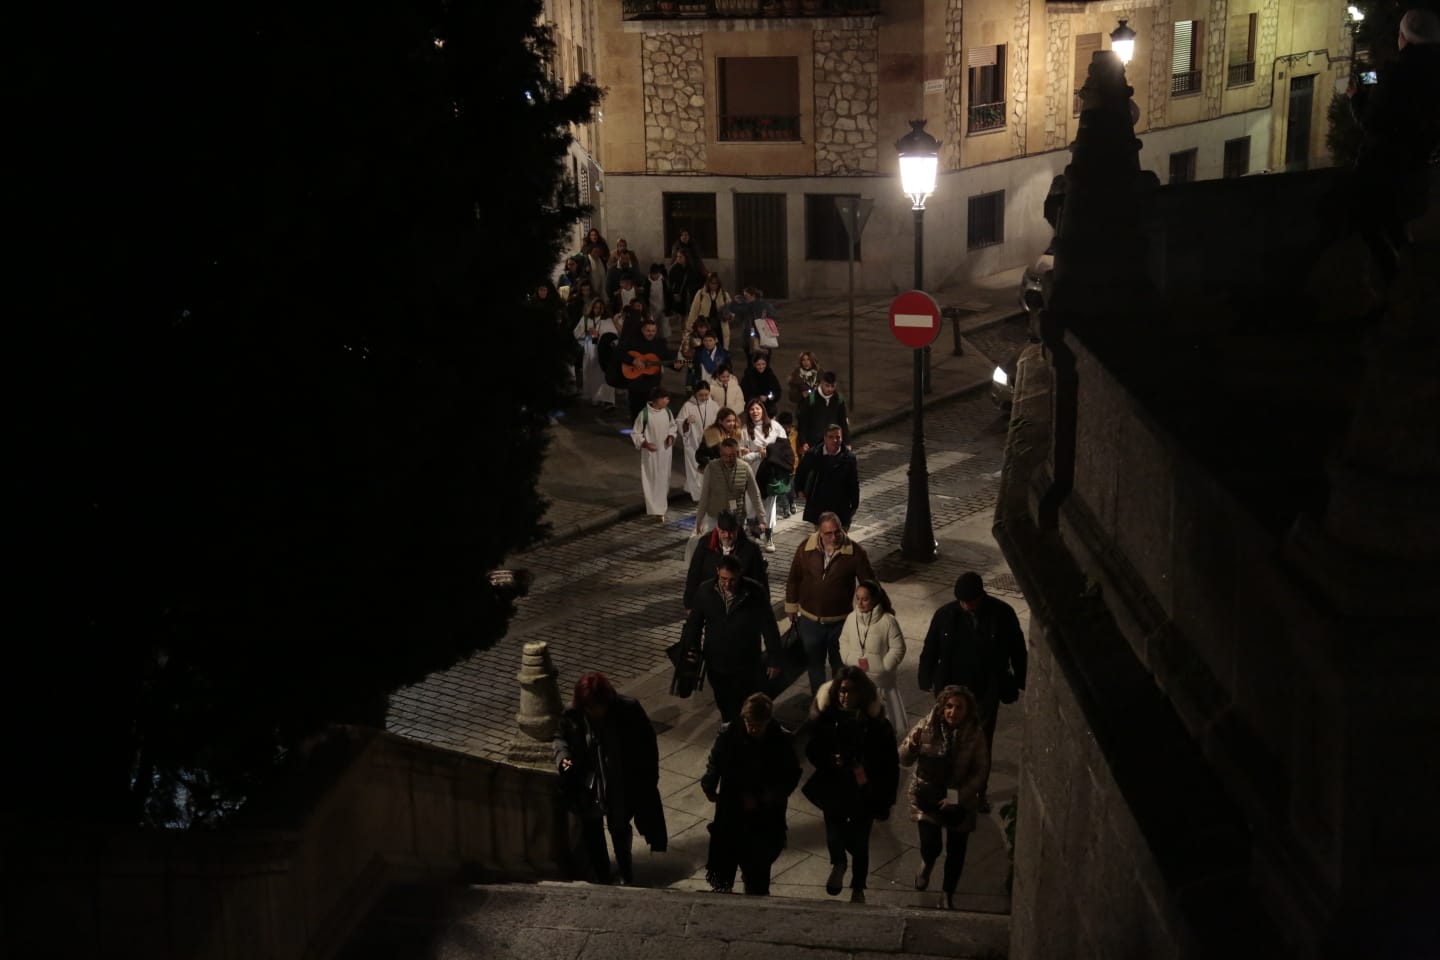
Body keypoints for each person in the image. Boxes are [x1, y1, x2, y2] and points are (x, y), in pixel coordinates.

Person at [916, 572, 1026, 813]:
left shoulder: (1001, 614)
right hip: (951, 690)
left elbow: (1017, 648)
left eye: (970, 601)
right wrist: (925, 676)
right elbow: (931, 647)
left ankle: (977, 792)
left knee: (980, 743)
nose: (966, 606)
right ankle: (949, 791)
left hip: (984, 690)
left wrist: (1021, 678)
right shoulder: (946, 615)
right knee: (949, 742)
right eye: (962, 601)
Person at [1347, 7, 1440, 281]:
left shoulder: (1394, 75)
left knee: (1367, 221)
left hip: (1384, 171)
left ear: (1404, 39)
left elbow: (1371, 124)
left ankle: (1394, 277)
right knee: (1398, 224)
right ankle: (1408, 272)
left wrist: (1355, 98)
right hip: (1419, 166)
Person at [554, 672, 667, 886]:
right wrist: (564, 760)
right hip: (588, 785)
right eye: (590, 707)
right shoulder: (572, 714)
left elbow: (647, 745)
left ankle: (626, 872)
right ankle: (602, 875)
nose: (595, 711)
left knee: (619, 828)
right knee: (592, 832)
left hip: (619, 782)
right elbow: (560, 738)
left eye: (598, 706)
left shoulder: (628, 709)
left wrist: (648, 779)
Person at [801, 665, 899, 903]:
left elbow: (888, 762)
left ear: (861, 693)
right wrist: (830, 759)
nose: (845, 695)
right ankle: (839, 863)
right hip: (834, 784)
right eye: (842, 690)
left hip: (863, 789)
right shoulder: (827, 718)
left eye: (851, 691)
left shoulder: (875, 724)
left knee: (860, 840)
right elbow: (812, 749)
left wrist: (868, 775)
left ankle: (858, 886)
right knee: (834, 832)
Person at [700, 692, 800, 895]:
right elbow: (716, 760)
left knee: (758, 863)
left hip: (765, 813)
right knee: (727, 853)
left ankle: (755, 887)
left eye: (758, 725)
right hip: (733, 807)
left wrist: (771, 795)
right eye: (750, 724)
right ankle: (728, 885)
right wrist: (709, 784)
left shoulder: (780, 739)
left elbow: (792, 773)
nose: (753, 729)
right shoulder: (729, 734)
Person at [899, 685, 989, 910]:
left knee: (957, 850)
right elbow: (904, 759)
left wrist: (959, 796)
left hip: (960, 797)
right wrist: (912, 745)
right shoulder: (927, 726)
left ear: (967, 711)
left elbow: (980, 771)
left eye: (959, 707)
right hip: (927, 794)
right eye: (949, 706)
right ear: (942, 707)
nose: (953, 712)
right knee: (931, 844)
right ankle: (927, 863)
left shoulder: (975, 735)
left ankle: (947, 893)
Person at [784, 512, 877, 695]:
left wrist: (873, 609)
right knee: (814, 666)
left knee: (840, 667)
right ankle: (819, 700)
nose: (834, 537)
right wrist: (791, 605)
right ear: (820, 532)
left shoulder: (855, 552)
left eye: (837, 532)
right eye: (828, 533)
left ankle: (838, 700)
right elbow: (794, 578)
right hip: (810, 621)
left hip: (840, 622)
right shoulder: (805, 549)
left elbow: (870, 584)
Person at [685, 555, 784, 723]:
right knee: (724, 702)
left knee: (744, 703)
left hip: (746, 661)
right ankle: (730, 727)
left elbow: (768, 626)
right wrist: (692, 648)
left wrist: (774, 658)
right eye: (723, 579)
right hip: (716, 660)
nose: (727, 584)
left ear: (740, 573)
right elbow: (695, 624)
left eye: (732, 580)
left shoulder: (754, 592)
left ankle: (741, 729)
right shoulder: (705, 591)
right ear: (717, 572)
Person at [837, 580, 906, 735]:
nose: (860, 603)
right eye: (857, 598)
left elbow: (898, 648)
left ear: (875, 599)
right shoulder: (851, 618)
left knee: (881, 725)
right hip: (857, 679)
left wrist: (884, 667)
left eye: (865, 599)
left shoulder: (888, 621)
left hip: (880, 684)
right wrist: (848, 658)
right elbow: (843, 640)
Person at [688, 436, 763, 565]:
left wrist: (762, 519)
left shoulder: (745, 468)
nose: (728, 459)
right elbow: (705, 495)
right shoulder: (711, 468)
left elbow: (755, 495)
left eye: (732, 456)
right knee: (713, 549)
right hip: (715, 517)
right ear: (720, 454)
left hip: (737, 518)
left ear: (737, 453)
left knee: (735, 549)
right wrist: (699, 520)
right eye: (725, 456)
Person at [684, 509, 769, 613]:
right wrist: (689, 604)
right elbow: (694, 574)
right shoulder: (705, 544)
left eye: (731, 532)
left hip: (740, 607)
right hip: (711, 604)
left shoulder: (751, 549)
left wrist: (764, 609)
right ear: (717, 529)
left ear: (737, 529)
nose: (727, 536)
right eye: (723, 532)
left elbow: (760, 581)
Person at [739, 397, 790, 553]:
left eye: (758, 408)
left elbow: (785, 448)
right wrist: (757, 454)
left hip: (770, 473)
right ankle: (753, 535)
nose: (755, 412)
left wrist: (770, 452)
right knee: (751, 505)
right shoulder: (744, 431)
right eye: (752, 409)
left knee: (769, 506)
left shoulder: (775, 427)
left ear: (763, 410)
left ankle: (769, 536)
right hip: (753, 473)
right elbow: (741, 456)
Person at [794, 423, 862, 529]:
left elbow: (853, 482)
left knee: (839, 537)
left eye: (838, 437)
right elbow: (801, 472)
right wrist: (799, 489)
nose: (835, 440)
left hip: (840, 505)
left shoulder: (849, 458)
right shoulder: (813, 454)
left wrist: (854, 504)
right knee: (822, 536)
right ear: (825, 438)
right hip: (819, 505)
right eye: (831, 437)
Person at [631, 387, 677, 522]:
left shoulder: (667, 412)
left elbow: (672, 426)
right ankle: (655, 509)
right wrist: (645, 444)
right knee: (652, 479)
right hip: (651, 455)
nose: (668, 401)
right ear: (657, 399)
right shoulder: (644, 414)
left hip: (665, 453)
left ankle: (661, 508)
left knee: (664, 479)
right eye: (665, 398)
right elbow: (636, 433)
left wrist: (671, 436)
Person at [618, 317, 673, 420]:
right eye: (648, 331)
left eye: (653, 331)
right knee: (637, 412)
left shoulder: (660, 342)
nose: (651, 333)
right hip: (635, 383)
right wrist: (633, 360)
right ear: (642, 330)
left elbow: (667, 357)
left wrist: (676, 365)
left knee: (653, 412)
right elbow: (619, 353)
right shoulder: (632, 341)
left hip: (653, 383)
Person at [678, 381, 720, 500]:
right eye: (701, 395)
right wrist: (686, 422)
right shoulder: (688, 406)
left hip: (709, 443)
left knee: (708, 468)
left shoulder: (714, 405)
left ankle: (707, 494)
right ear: (695, 393)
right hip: (693, 443)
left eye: (706, 395)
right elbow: (679, 423)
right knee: (694, 469)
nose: (704, 397)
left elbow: (719, 422)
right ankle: (697, 496)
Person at [576, 297, 620, 408]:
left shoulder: (607, 320)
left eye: (600, 308)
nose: (597, 310)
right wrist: (586, 332)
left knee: (602, 373)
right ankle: (595, 397)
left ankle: (605, 399)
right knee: (591, 372)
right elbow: (576, 333)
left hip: (603, 349)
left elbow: (612, 335)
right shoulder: (586, 319)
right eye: (596, 307)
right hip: (589, 348)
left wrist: (598, 334)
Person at [797, 372, 851, 454]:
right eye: (827, 386)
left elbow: (843, 422)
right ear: (822, 383)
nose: (830, 389)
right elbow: (803, 423)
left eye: (832, 386)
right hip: (815, 443)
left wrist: (847, 442)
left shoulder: (838, 399)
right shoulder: (811, 399)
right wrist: (803, 442)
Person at [688, 273, 734, 353]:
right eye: (711, 283)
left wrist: (729, 316)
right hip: (704, 326)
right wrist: (690, 327)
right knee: (704, 348)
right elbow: (694, 311)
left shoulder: (724, 294)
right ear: (708, 283)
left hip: (720, 326)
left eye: (715, 283)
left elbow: (731, 309)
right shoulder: (701, 294)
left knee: (719, 348)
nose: (713, 285)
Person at [740, 351, 784, 416]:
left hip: (768, 407)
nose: (761, 367)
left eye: (763, 364)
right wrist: (758, 398)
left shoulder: (769, 374)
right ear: (754, 364)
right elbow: (744, 392)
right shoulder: (749, 376)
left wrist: (768, 397)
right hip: (754, 407)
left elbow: (777, 391)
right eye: (758, 364)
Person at [667, 248, 702, 318]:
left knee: (687, 315)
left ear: (686, 257)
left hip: (688, 295)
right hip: (678, 296)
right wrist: (673, 294)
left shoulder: (691, 268)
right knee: (678, 316)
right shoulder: (674, 269)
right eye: (677, 256)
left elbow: (695, 281)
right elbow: (670, 283)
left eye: (680, 257)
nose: (678, 258)